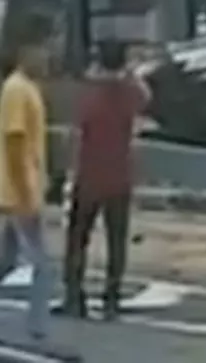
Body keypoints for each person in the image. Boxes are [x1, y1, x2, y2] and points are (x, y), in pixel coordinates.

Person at [0, 15, 54, 346]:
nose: (49, 56)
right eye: (44, 48)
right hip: (20, 193)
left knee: (2, 261)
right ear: (25, 51)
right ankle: (38, 333)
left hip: (19, 190)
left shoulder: (26, 88)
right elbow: (14, 143)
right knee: (43, 267)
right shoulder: (17, 90)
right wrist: (27, 194)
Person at [60, 40, 151, 320]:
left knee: (77, 239)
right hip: (120, 177)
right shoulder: (130, 93)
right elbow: (146, 97)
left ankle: (74, 298)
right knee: (116, 240)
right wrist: (130, 73)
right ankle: (111, 300)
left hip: (89, 176)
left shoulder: (89, 92)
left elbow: (75, 129)